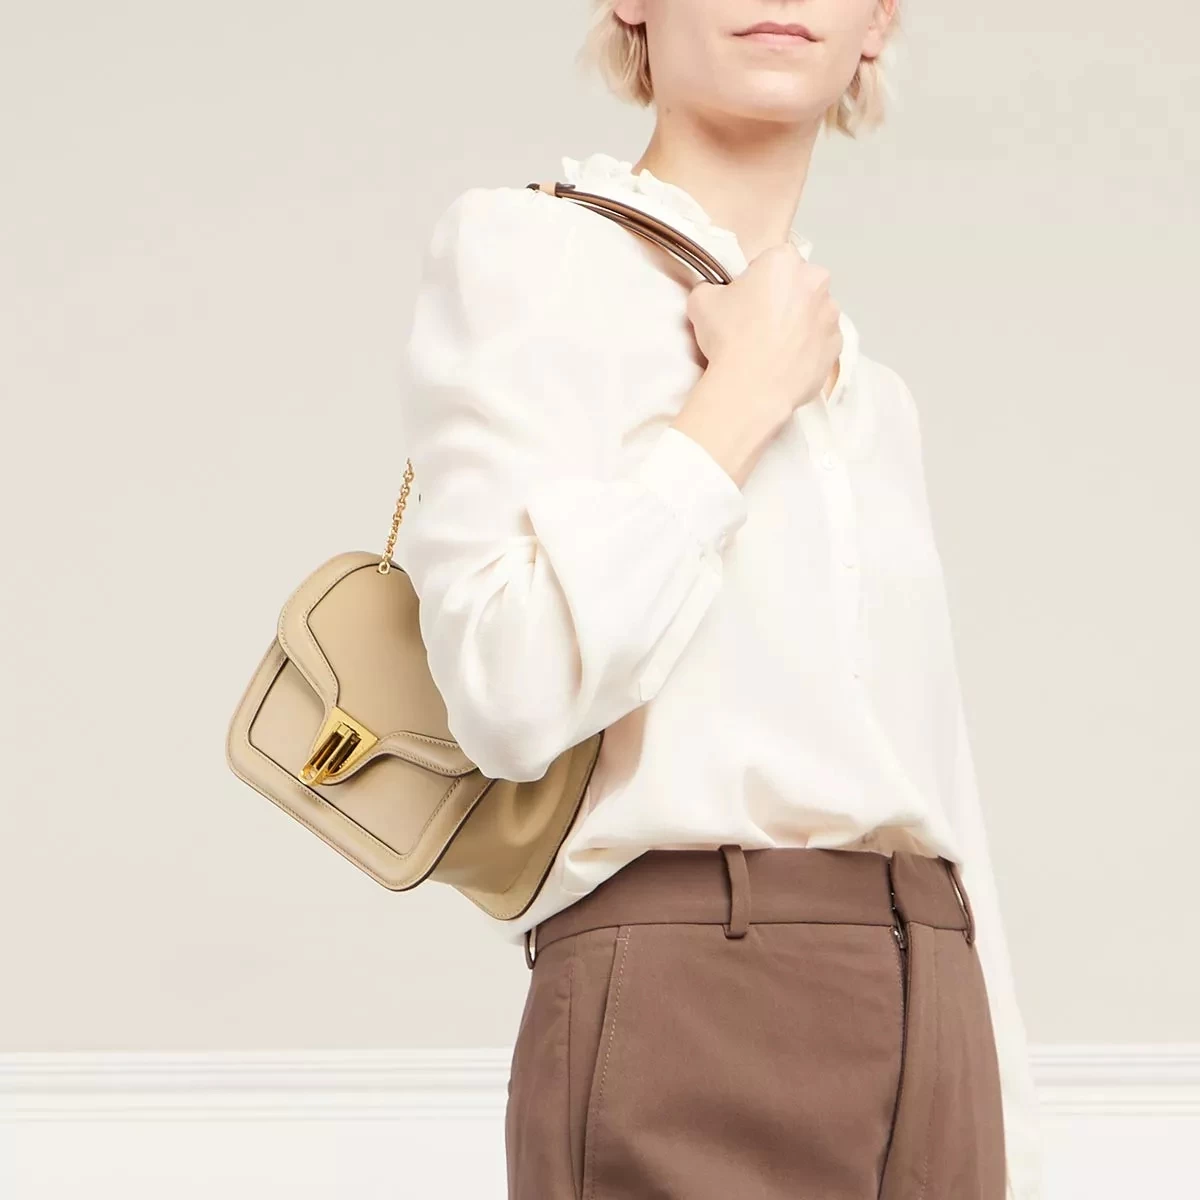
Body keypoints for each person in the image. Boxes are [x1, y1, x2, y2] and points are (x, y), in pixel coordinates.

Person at [397, 1, 1045, 1197]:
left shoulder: (873, 399)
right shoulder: (529, 256)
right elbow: (505, 689)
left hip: (938, 1002)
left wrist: (1005, 1122)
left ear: (877, 24)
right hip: (691, 996)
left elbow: (939, 786)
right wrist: (738, 398)